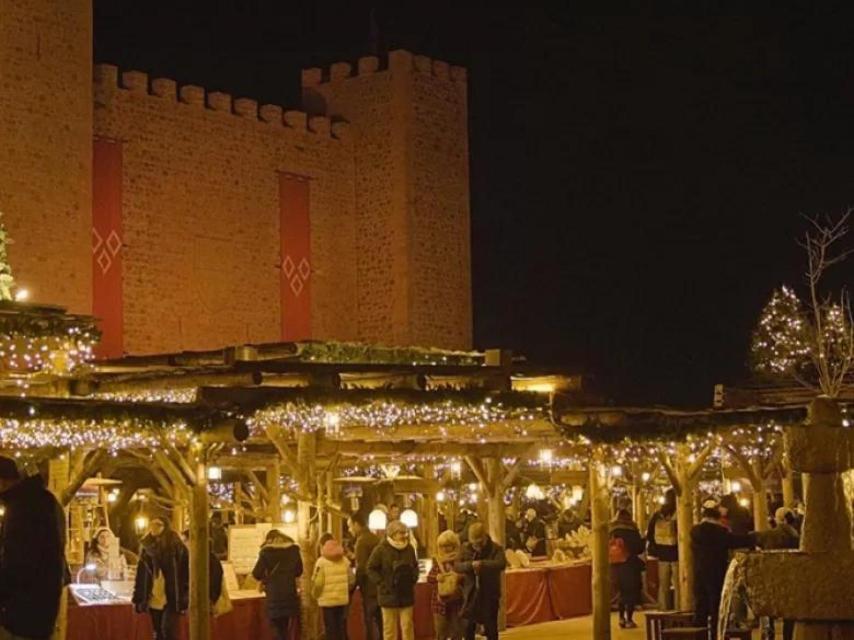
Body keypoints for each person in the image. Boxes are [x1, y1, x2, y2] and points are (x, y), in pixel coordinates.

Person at [0, 456, 68, 640]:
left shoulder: (22, 509)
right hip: (42, 608)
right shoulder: (47, 501)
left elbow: (16, 562)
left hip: (21, 611)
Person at [691, 500, 754, 637]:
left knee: (700, 603)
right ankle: (716, 634)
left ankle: (699, 633)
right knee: (716, 606)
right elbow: (733, 542)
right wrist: (753, 538)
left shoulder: (694, 531)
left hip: (699, 570)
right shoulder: (720, 531)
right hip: (716, 571)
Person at [132, 517, 189, 640]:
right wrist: (138, 598)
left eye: (158, 524)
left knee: (168, 630)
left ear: (165, 527)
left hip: (172, 597)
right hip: (154, 594)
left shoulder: (176, 546)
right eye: (152, 524)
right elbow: (141, 575)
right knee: (157, 631)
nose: (154, 527)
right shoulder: (146, 548)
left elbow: (185, 573)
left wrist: (185, 595)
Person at [366, 520, 419, 640]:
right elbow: (370, 568)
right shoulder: (381, 549)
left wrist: (413, 579)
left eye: (404, 532)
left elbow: (415, 566)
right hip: (388, 595)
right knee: (389, 630)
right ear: (392, 534)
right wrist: (382, 583)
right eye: (400, 533)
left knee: (407, 627)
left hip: (406, 594)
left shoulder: (409, 548)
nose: (403, 535)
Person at [455, 522, 506, 640]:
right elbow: (457, 566)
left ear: (484, 537)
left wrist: (482, 565)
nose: (477, 547)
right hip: (471, 595)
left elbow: (501, 564)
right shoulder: (465, 549)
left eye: (479, 543)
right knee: (468, 628)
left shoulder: (495, 549)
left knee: (491, 628)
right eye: (474, 544)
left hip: (489, 594)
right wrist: (471, 566)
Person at [755, 508, 798, 640]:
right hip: (789, 576)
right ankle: (788, 637)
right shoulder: (796, 535)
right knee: (788, 612)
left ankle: (769, 635)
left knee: (769, 610)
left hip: (770, 576)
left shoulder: (767, 535)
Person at [252, 529, 303, 640]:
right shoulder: (294, 550)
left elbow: (256, 573)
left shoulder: (266, 552)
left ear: (269, 540)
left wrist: (266, 578)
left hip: (274, 595)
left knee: (277, 629)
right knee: (285, 628)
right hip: (289, 594)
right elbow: (299, 571)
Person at [348, 512, 382, 640]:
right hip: (380, 586)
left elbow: (361, 568)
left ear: (357, 525)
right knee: (381, 622)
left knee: (369, 621)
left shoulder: (361, 542)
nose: (349, 529)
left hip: (369, 588)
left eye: (350, 526)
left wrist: (354, 586)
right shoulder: (375, 538)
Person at [312, 536, 354, 640]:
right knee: (341, 628)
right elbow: (352, 580)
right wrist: (344, 590)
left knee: (330, 629)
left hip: (327, 602)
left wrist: (315, 595)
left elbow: (317, 582)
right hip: (342, 601)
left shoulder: (321, 562)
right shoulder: (345, 561)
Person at [610, 509, 645, 629]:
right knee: (630, 593)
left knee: (621, 592)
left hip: (614, 565)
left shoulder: (611, 529)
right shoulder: (632, 529)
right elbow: (639, 548)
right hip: (629, 564)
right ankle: (629, 619)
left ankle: (621, 618)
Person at [646, 488, 679, 610]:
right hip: (677, 554)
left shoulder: (657, 515)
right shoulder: (680, 514)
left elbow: (650, 534)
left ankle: (664, 610)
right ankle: (679, 609)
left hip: (662, 554)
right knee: (679, 585)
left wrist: (656, 547)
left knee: (663, 585)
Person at [427, 530, 463, 640]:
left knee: (457, 632)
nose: (446, 549)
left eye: (449, 546)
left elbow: (467, 578)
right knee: (440, 632)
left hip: (457, 601)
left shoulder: (460, 560)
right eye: (443, 546)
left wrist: (458, 577)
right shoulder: (436, 561)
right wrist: (437, 577)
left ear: (455, 546)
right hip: (439, 603)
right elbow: (430, 578)